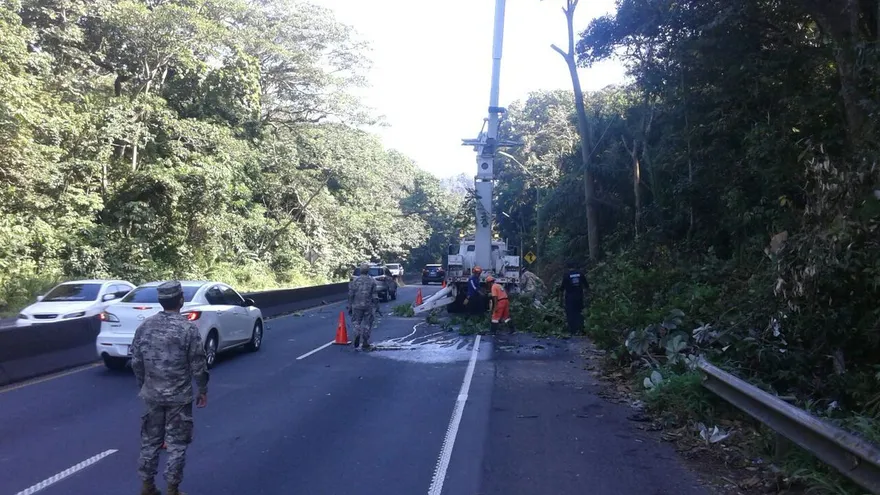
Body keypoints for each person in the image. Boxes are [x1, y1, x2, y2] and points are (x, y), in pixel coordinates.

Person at [130, 281, 209, 495]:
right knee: (176, 445)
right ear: (180, 300)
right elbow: (198, 364)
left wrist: (143, 385)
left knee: (150, 442)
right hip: (179, 397)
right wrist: (202, 389)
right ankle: (172, 489)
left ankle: (147, 486)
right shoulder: (187, 329)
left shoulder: (145, 326)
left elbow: (136, 360)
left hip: (152, 395)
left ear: (160, 301)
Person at [349, 261, 378, 351]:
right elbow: (375, 296)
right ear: (368, 271)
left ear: (360, 271)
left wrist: (350, 305)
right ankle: (365, 342)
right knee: (368, 323)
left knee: (356, 321)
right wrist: (377, 306)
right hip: (368, 305)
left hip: (356, 305)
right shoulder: (372, 281)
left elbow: (351, 294)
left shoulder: (355, 281)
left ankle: (357, 332)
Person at [559, 261, 588, 334]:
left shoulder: (566, 275)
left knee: (571, 313)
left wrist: (560, 301)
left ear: (567, 267)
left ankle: (573, 330)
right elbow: (586, 286)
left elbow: (562, 289)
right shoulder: (580, 273)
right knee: (579, 312)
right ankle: (581, 329)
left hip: (570, 298)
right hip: (579, 296)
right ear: (575, 266)